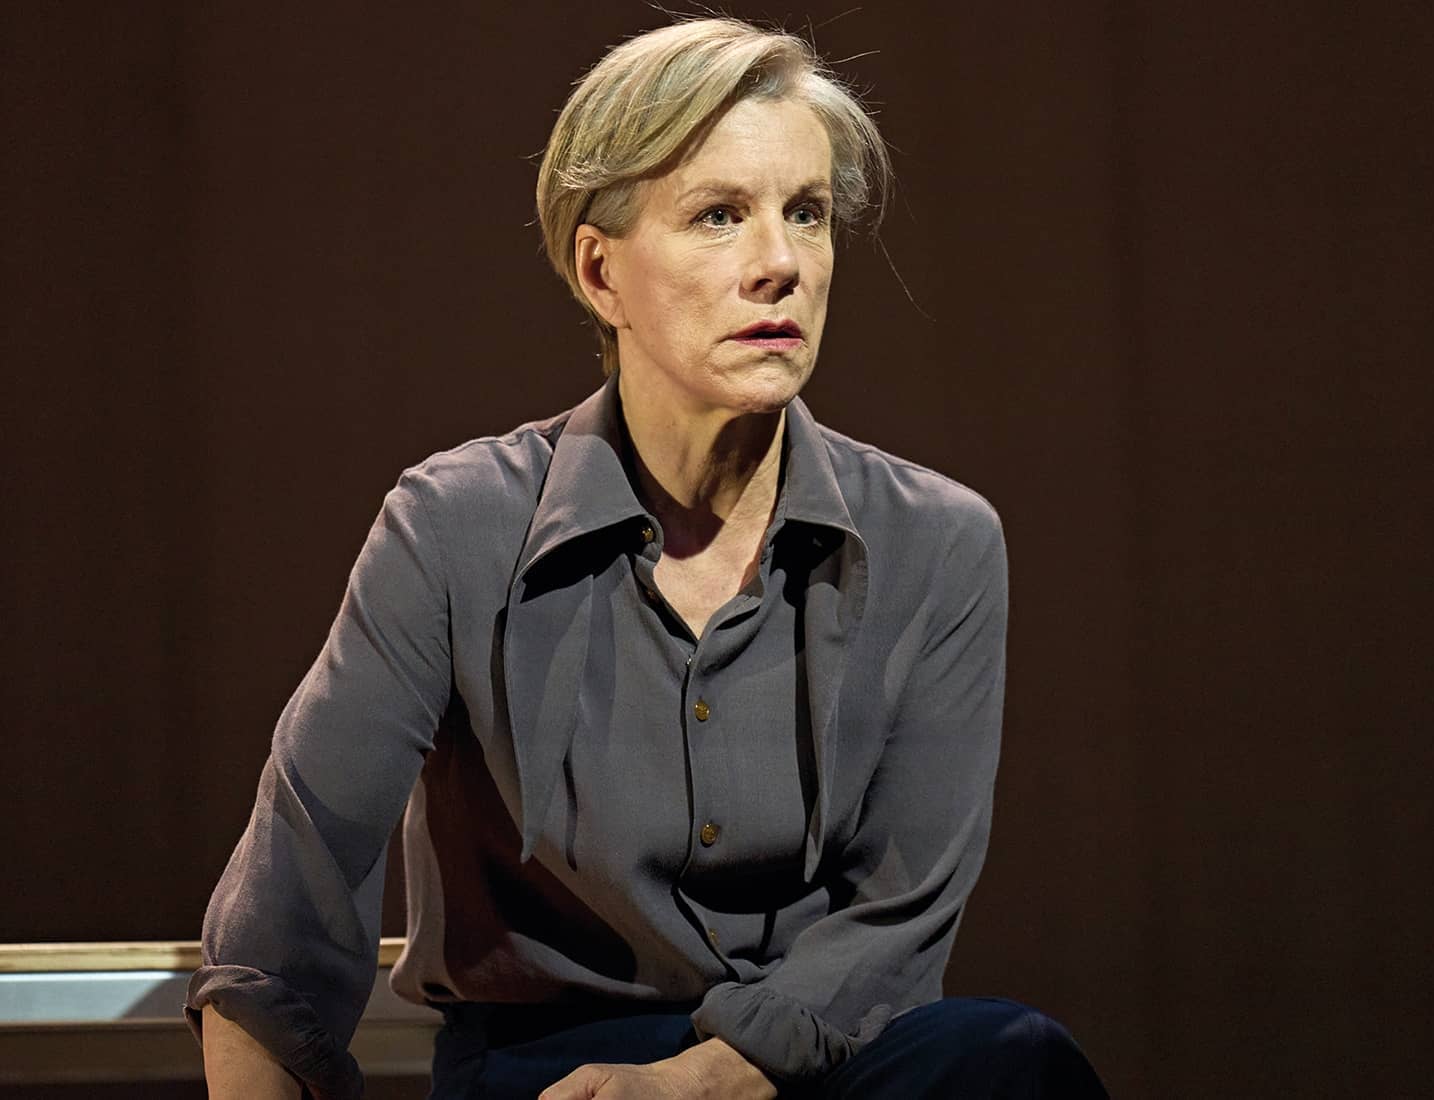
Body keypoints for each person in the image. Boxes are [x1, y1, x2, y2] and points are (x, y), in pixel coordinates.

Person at [188, 17, 1106, 1100]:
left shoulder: (939, 542)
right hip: (540, 1070)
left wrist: (695, 1084)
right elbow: (289, 904)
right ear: (600, 271)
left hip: (805, 1063)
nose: (780, 265)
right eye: (719, 215)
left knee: (1008, 1056)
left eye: (805, 214)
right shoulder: (455, 525)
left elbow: (899, 919)